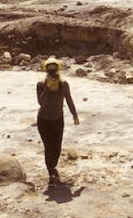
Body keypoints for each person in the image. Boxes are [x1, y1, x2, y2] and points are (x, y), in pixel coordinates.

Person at [36, 56, 79, 184]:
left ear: (58, 69)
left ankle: (53, 166)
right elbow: (41, 102)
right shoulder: (41, 85)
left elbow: (69, 100)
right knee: (48, 146)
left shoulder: (64, 84)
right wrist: (48, 88)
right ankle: (51, 172)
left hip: (58, 119)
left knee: (57, 147)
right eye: (49, 69)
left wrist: (74, 115)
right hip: (44, 120)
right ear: (45, 70)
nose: (52, 72)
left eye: (54, 69)